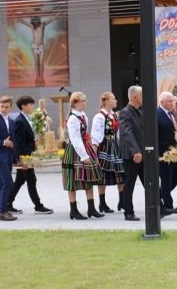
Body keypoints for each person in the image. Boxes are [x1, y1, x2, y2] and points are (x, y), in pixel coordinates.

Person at [7, 95, 53, 215]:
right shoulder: (20, 121)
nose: (33, 106)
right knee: (31, 179)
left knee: (20, 180)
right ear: (23, 106)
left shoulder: (26, 118)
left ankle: (7, 203)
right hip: (25, 156)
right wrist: (24, 160)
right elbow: (20, 142)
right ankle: (38, 205)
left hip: (28, 154)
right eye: (31, 104)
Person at [62, 92, 104, 220]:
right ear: (76, 102)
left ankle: (91, 208)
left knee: (89, 177)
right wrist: (84, 156)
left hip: (85, 147)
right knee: (72, 181)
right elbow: (75, 138)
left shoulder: (83, 115)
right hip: (76, 151)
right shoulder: (73, 119)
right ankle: (73, 210)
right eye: (84, 100)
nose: (86, 102)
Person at [91, 92, 125, 214]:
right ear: (106, 101)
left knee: (121, 173)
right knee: (103, 175)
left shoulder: (113, 116)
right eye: (113, 99)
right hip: (105, 147)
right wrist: (94, 155)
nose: (116, 101)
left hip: (115, 146)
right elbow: (96, 136)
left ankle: (122, 200)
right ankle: (102, 203)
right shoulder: (100, 117)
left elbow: (118, 133)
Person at [118, 85, 144, 221]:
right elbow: (127, 134)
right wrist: (136, 151)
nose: (143, 98)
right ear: (135, 97)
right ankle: (128, 212)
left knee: (149, 182)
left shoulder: (139, 112)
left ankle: (159, 207)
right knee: (129, 184)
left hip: (142, 154)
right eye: (142, 95)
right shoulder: (125, 113)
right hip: (132, 156)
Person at [16, 7, 60, 86]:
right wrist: (18, 18)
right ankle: (37, 77)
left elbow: (51, 20)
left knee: (41, 63)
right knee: (37, 62)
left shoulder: (42, 25)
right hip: (35, 46)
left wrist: (56, 15)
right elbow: (23, 22)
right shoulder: (32, 26)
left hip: (41, 46)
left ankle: (41, 78)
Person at [157, 91, 177, 216]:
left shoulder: (174, 114)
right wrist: (157, 154)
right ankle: (168, 205)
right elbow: (154, 135)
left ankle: (158, 195)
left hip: (176, 152)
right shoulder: (157, 114)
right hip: (163, 152)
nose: (172, 103)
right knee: (166, 179)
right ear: (161, 102)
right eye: (169, 101)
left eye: (173, 100)